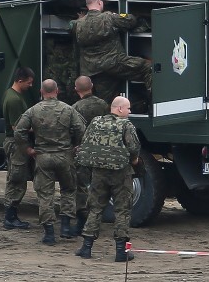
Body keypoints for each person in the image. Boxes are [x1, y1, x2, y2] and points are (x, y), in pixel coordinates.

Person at [14, 79, 86, 245]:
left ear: (41, 91)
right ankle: (66, 227)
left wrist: (28, 149)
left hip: (43, 156)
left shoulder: (33, 110)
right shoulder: (68, 110)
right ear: (57, 91)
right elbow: (81, 129)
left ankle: (49, 233)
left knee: (45, 195)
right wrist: (77, 145)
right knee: (69, 190)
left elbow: (19, 131)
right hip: (64, 156)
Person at [74, 96, 141, 262]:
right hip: (120, 172)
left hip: (98, 172)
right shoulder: (126, 125)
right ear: (119, 109)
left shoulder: (96, 122)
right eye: (128, 108)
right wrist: (135, 161)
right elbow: (134, 148)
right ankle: (120, 251)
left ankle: (86, 247)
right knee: (122, 209)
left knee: (95, 208)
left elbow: (86, 142)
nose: (130, 112)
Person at [74, 0, 152, 103]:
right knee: (148, 68)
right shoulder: (108, 17)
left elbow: (71, 27)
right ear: (100, 3)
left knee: (104, 102)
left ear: (87, 6)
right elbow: (130, 21)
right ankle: (153, 106)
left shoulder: (78, 23)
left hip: (92, 70)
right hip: (114, 63)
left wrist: (79, 19)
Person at [70, 75, 109, 235]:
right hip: (100, 151)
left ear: (76, 89)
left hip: (83, 153)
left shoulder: (75, 108)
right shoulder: (103, 104)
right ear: (92, 86)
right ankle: (96, 220)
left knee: (81, 187)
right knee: (98, 186)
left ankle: (82, 222)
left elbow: (73, 130)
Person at [1, 66, 34, 230]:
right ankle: (10, 217)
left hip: (15, 142)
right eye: (29, 82)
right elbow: (16, 128)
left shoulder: (13, 95)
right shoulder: (14, 99)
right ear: (20, 80)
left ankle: (11, 216)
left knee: (16, 178)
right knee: (16, 179)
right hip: (16, 144)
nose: (31, 85)